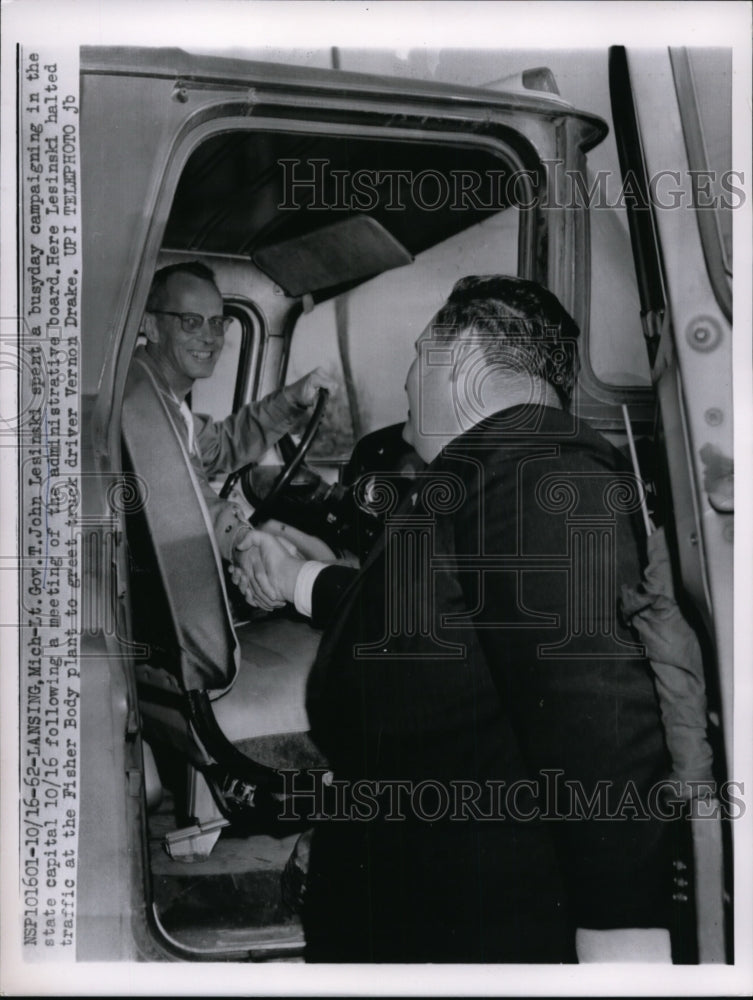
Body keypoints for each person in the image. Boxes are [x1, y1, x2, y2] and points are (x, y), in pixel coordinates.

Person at [232, 275, 674, 963]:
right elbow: (431, 622)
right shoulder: (494, 474)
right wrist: (298, 580)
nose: (407, 384)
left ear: (463, 354)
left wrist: (622, 931)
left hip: (473, 923)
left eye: (416, 357)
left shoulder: (539, 476)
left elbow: (594, 709)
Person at [124, 260, 337, 571]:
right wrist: (245, 544)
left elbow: (221, 446)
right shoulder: (140, 401)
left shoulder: (163, 396)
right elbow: (188, 501)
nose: (210, 337)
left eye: (217, 322)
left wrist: (291, 398)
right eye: (191, 321)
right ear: (152, 326)